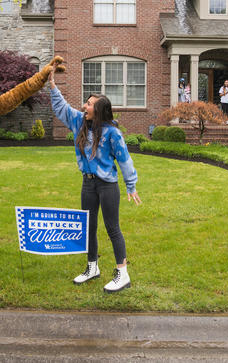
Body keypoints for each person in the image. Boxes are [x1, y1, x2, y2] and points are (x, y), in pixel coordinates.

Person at [49, 69, 142, 293]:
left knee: (112, 228)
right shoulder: (79, 122)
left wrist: (131, 185)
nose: (84, 106)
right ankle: (92, 268)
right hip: (87, 184)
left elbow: (124, 160)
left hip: (107, 185)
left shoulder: (112, 133)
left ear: (98, 110)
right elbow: (61, 107)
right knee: (88, 227)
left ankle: (123, 274)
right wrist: (52, 85)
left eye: (89, 104)